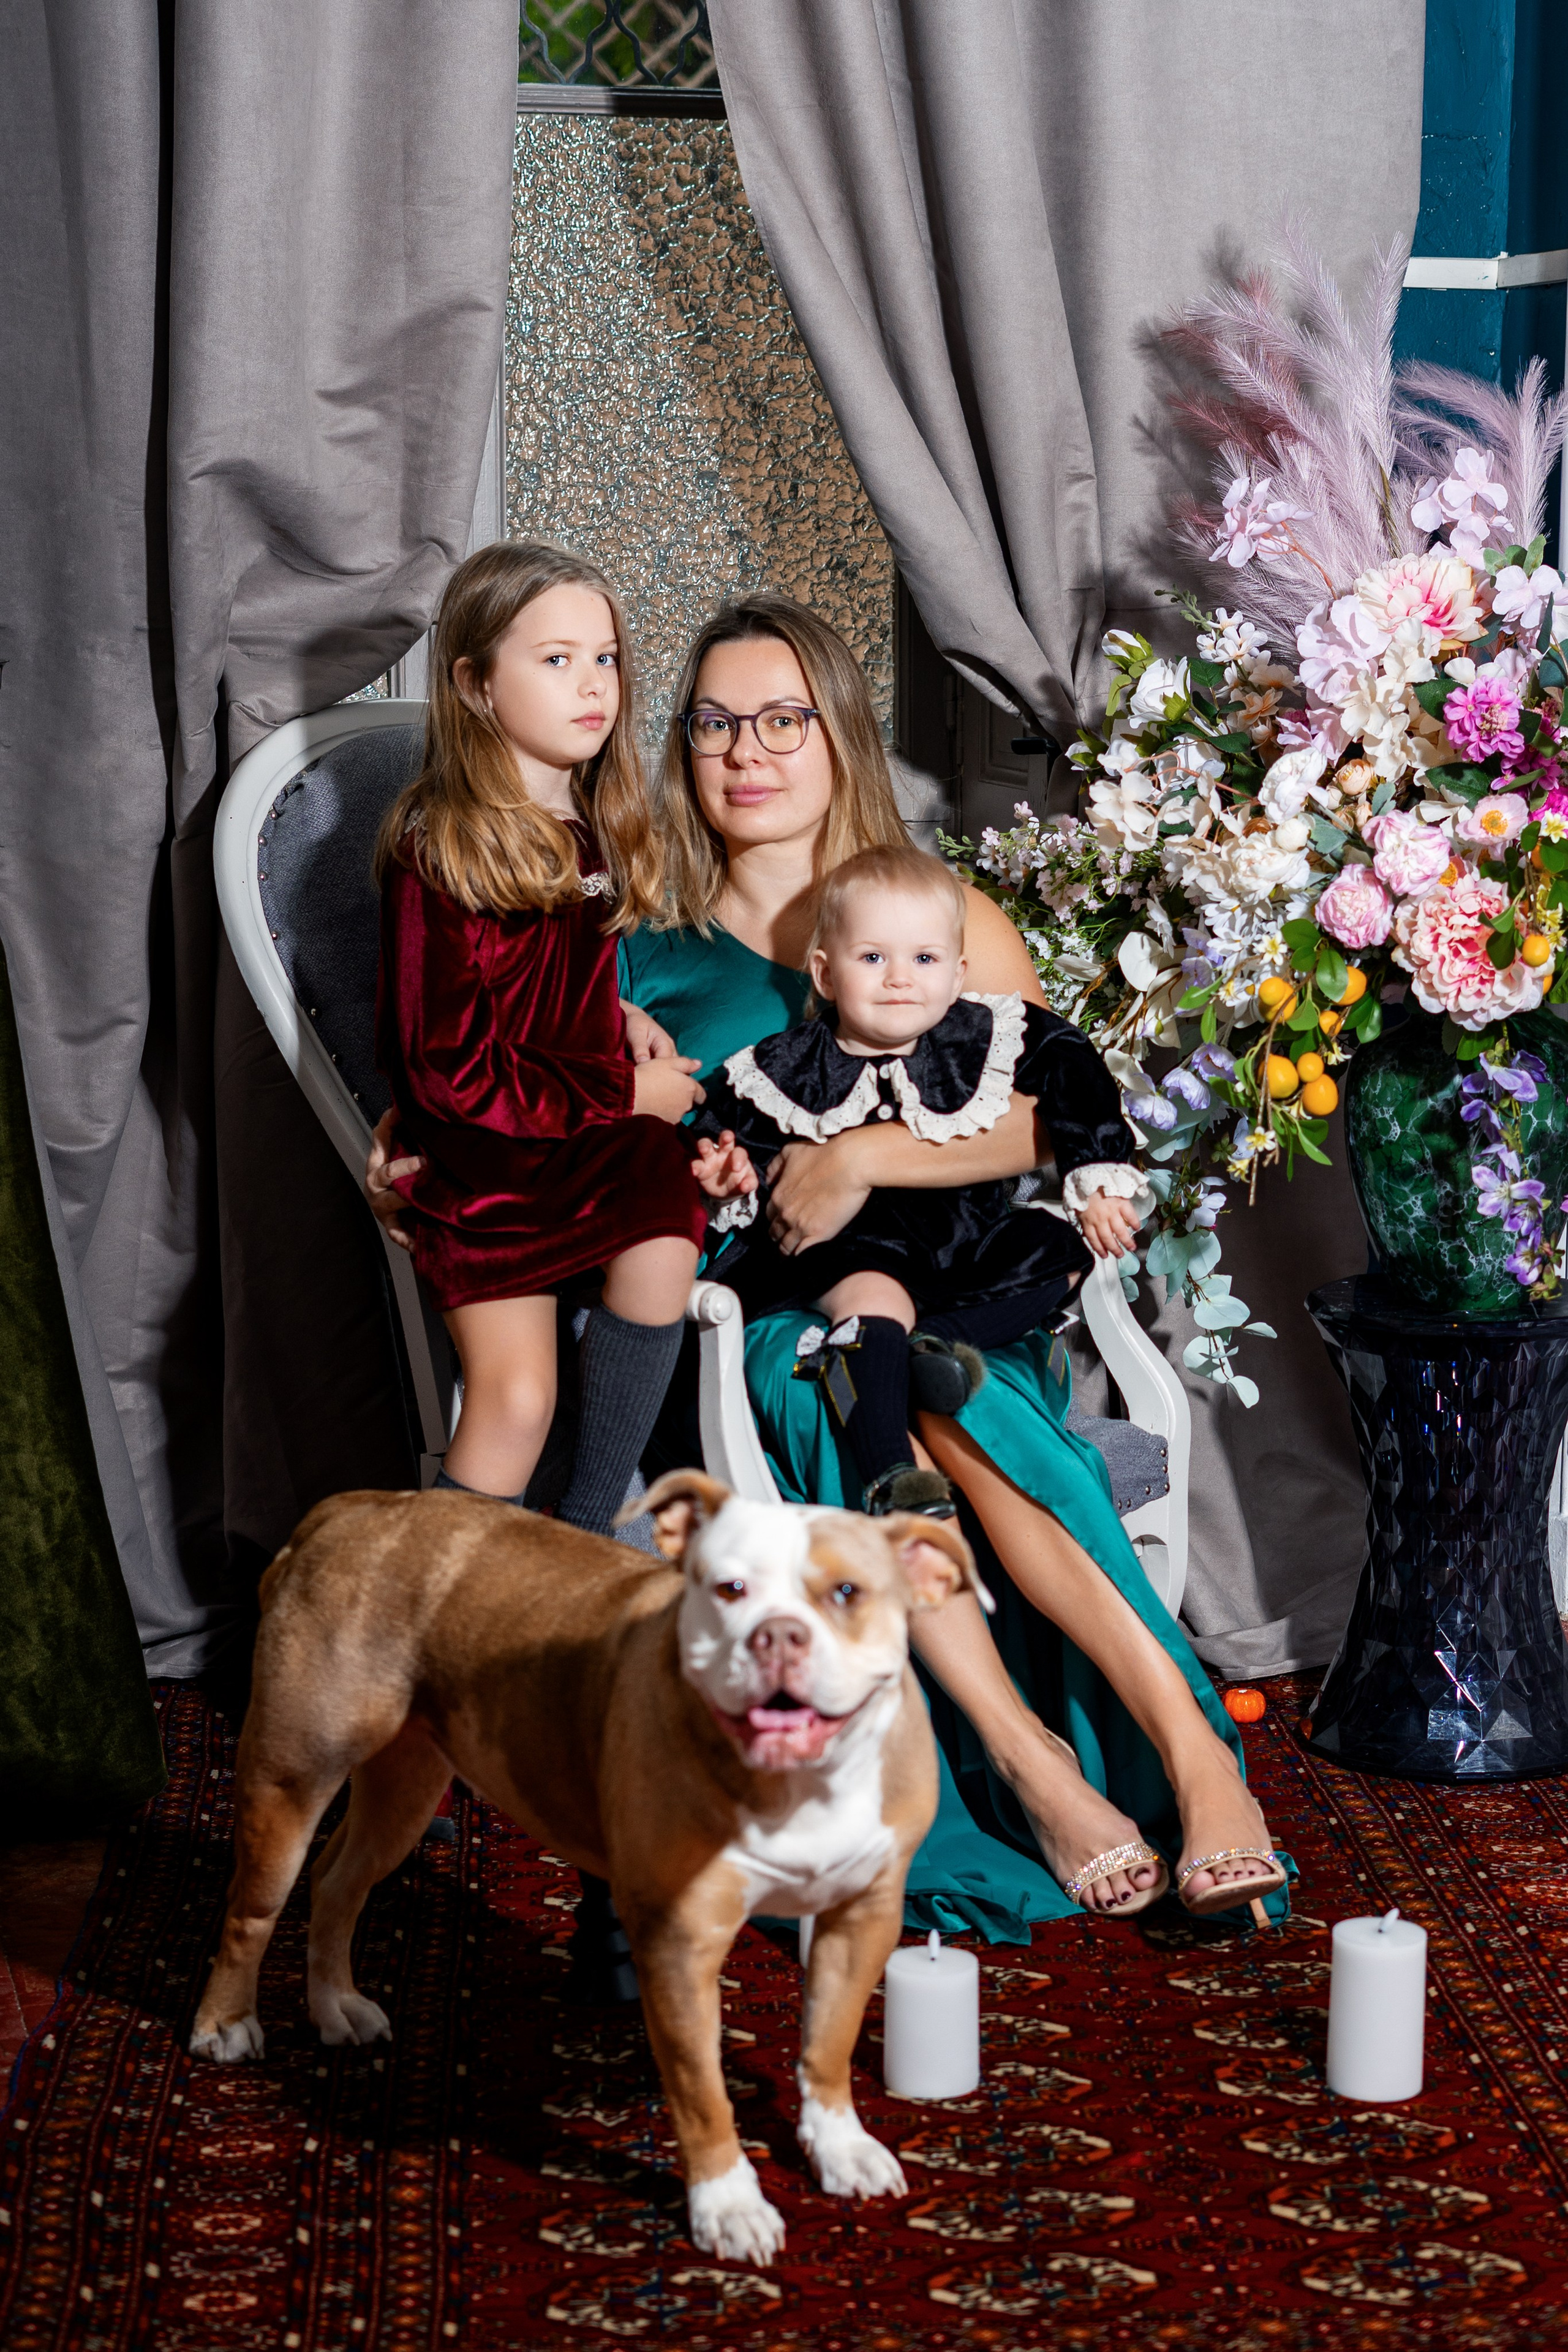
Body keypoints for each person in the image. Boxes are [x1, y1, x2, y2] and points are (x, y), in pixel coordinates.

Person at [368, 592, 1287, 1930]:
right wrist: (407, 1149)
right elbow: (509, 1084)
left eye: (783, 718)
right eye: (714, 722)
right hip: (753, 1333)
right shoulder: (632, 946)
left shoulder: (936, 914)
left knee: (939, 1379)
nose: (747, 750)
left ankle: (1184, 1764)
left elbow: (1047, 1109)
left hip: (950, 1292)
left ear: (839, 735)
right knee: (878, 1371)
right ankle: (1046, 1770)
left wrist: (866, 1160)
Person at [373, 540, 707, 1537]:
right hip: (488, 1166)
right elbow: (448, 1063)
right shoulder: (443, 845)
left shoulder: (592, 820)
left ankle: (584, 1523)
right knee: (517, 1404)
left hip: (581, 1139)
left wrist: (623, 1018)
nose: (592, 684)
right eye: (556, 660)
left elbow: (551, 983)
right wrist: (622, 1093)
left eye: (604, 658)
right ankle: (427, 1635)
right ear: (476, 685)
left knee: (664, 1221)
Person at [688, 842, 1145, 1520]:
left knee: (1061, 1244)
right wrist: (727, 1174)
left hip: (966, 1243)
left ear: (959, 972)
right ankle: (890, 1475)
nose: (899, 978)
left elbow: (1073, 1071)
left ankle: (945, 1349)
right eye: (872, 958)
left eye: (923, 960)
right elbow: (725, 1130)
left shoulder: (985, 1035)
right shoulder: (784, 1064)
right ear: (825, 973)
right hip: (855, 1247)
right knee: (872, 1297)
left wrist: (1098, 1178)